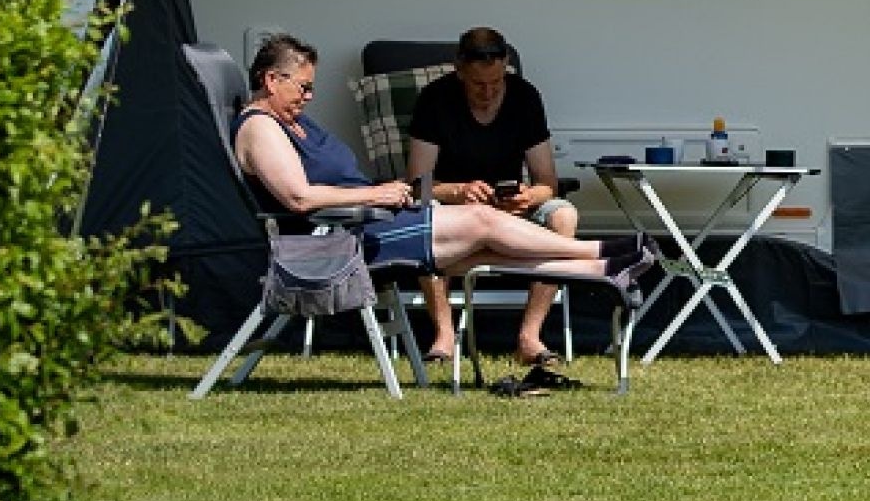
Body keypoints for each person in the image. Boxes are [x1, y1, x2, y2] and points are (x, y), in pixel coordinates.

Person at [230, 33, 641, 388]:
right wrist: (375, 196)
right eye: (303, 87)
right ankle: (602, 253)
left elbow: (545, 179)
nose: (309, 95)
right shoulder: (260, 127)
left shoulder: (294, 122)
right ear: (271, 79)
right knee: (484, 222)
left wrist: (378, 197)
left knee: (487, 252)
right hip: (344, 240)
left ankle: (601, 270)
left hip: (369, 221)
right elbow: (298, 200)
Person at [405, 26, 579, 384]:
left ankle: (529, 337)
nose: (487, 93)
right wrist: (458, 191)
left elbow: (547, 180)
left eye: (496, 84)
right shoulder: (435, 100)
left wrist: (530, 196)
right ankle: (444, 336)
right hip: (455, 209)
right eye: (477, 85)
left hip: (510, 207)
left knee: (564, 215)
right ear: (459, 72)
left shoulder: (525, 98)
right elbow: (418, 184)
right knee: (420, 218)